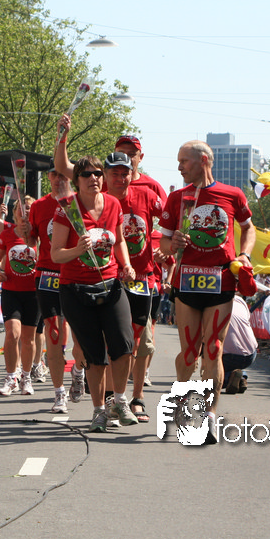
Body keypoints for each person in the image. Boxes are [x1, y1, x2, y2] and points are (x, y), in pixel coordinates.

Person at [159, 140, 255, 444]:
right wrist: (172, 244)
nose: (179, 167)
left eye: (184, 161)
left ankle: (209, 416)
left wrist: (244, 254)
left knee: (213, 348)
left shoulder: (232, 194)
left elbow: (248, 227)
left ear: (203, 160)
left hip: (221, 280)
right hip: (187, 282)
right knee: (190, 353)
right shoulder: (177, 198)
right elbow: (162, 243)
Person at [50, 155, 138, 433]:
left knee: (124, 345)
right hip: (76, 290)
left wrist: (126, 265)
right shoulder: (67, 208)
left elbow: (119, 241)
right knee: (94, 354)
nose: (94, 179)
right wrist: (78, 249)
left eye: (98, 173)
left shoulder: (113, 204)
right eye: (87, 174)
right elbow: (56, 254)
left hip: (111, 285)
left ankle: (120, 401)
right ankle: (99, 411)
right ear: (77, 180)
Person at [102, 151, 162, 423]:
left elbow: (171, 218)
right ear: (105, 175)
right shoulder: (99, 200)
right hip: (108, 276)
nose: (120, 178)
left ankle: (136, 398)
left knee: (139, 343)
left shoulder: (147, 195)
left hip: (142, 278)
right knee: (112, 341)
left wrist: (166, 246)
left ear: (132, 173)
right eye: (114, 173)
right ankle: (111, 400)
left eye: (124, 173)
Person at [25, 166, 86, 413]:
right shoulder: (39, 206)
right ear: (48, 177)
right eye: (54, 174)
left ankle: (79, 371)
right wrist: (27, 237)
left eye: (63, 174)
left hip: (77, 275)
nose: (58, 178)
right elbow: (32, 238)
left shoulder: (80, 202)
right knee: (53, 332)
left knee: (81, 338)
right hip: (47, 275)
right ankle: (59, 393)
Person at [0, 195, 40, 396]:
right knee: (12, 333)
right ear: (14, 213)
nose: (25, 211)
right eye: (21, 208)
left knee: (28, 339)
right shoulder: (7, 234)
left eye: (29, 208)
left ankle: (26, 377)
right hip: (11, 291)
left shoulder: (39, 235)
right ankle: (11, 377)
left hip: (33, 293)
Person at [221, 294, 257, 394]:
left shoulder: (212, 304)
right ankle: (240, 376)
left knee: (213, 381)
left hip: (229, 356)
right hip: (250, 353)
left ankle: (229, 377)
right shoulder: (240, 301)